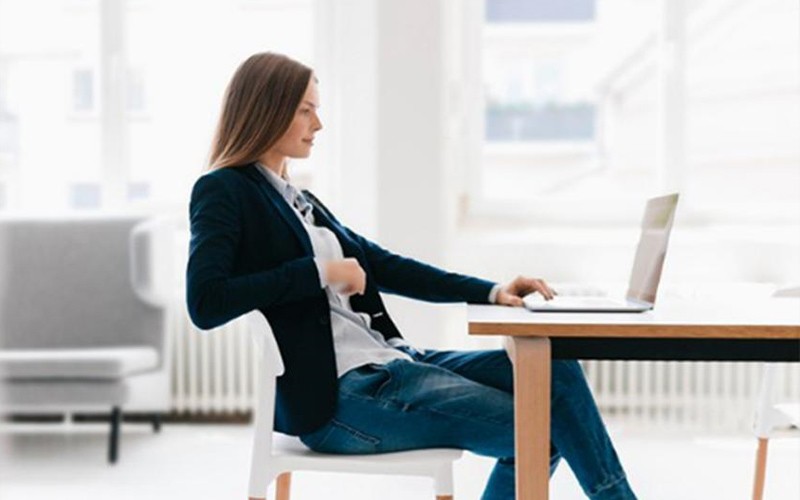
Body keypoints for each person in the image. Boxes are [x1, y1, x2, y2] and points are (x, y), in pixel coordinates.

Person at [186, 52, 637, 500]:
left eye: (316, 110)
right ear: (268, 109)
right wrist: (319, 271)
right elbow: (205, 302)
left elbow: (386, 266)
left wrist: (492, 290)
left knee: (554, 369)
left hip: (395, 361)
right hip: (345, 396)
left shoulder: (301, 201)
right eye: (306, 110)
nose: (318, 125)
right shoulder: (224, 189)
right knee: (540, 428)